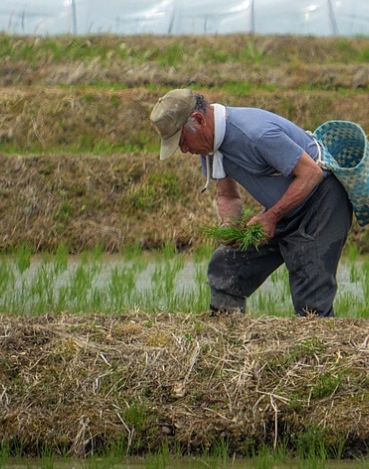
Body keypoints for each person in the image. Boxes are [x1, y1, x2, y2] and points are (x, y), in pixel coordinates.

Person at [149, 88, 353, 316]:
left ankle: (319, 346)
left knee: (310, 292)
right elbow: (227, 195)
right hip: (285, 208)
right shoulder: (210, 148)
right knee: (226, 266)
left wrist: (271, 216)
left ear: (198, 120)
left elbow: (311, 173)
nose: (184, 149)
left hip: (322, 202)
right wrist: (230, 225)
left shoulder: (255, 133)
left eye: (183, 140)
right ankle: (228, 338)